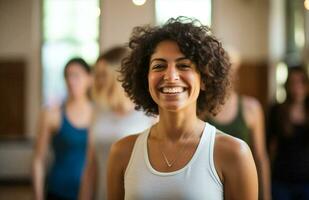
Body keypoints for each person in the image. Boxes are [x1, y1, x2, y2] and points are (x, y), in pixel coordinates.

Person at [107, 17, 258, 200]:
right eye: (159, 66)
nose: (170, 76)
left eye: (184, 65)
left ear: (204, 78)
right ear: (145, 79)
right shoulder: (122, 152)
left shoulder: (234, 153)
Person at [79, 47, 155, 200]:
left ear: (118, 76)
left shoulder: (150, 114)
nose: (97, 80)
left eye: (103, 75)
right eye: (97, 75)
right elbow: (91, 165)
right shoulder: (98, 111)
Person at [203, 48, 271, 200]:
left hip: (243, 183)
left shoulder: (251, 107)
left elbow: (260, 157)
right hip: (211, 184)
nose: (224, 76)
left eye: (229, 70)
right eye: (218, 70)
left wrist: (266, 195)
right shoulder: (201, 110)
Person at [32, 58, 93, 200]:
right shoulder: (52, 114)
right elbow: (38, 161)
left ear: (89, 79)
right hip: (58, 191)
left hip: (92, 191)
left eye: (76, 75)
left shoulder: (99, 116)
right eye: (67, 76)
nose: (71, 81)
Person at [267, 66, 309, 200]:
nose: (297, 87)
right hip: (282, 179)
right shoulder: (277, 110)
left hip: (306, 180)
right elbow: (268, 146)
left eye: (300, 82)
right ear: (287, 85)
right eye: (293, 83)